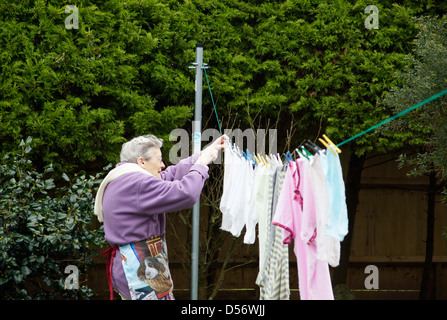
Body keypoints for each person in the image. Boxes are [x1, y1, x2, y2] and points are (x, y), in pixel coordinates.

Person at [94, 133, 229, 300]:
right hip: (136, 272)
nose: (163, 165)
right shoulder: (138, 183)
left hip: (127, 268)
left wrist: (204, 153)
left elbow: (168, 176)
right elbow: (186, 194)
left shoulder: (123, 177)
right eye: (159, 159)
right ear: (141, 161)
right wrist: (201, 165)